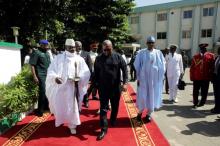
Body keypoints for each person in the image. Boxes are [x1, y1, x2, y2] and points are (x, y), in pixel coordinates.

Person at [45, 39, 90, 134]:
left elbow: (86, 73)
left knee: (73, 107)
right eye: (70, 47)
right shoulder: (58, 58)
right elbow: (51, 70)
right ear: (65, 47)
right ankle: (60, 120)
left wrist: (80, 78)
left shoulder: (79, 59)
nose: (73, 49)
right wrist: (55, 78)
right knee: (60, 104)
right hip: (60, 87)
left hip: (73, 88)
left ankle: (72, 125)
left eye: (74, 47)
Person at [94, 40, 128, 140]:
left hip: (115, 87)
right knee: (103, 108)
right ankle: (103, 129)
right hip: (103, 88)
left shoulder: (118, 56)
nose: (106, 52)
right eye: (104, 49)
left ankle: (113, 120)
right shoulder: (98, 58)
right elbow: (96, 73)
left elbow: (125, 69)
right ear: (102, 48)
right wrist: (94, 86)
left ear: (111, 47)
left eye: (108, 49)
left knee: (115, 106)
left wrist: (125, 83)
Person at [134, 36, 165, 122]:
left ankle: (149, 114)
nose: (151, 44)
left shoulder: (158, 53)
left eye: (152, 42)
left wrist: (160, 77)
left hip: (154, 79)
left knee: (152, 96)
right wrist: (138, 78)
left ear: (154, 43)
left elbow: (163, 65)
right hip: (144, 79)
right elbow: (137, 65)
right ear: (146, 43)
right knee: (143, 96)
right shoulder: (141, 53)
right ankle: (140, 113)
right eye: (149, 42)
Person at [29, 40, 51, 117]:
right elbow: (32, 65)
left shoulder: (47, 53)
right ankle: (40, 110)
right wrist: (34, 76)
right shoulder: (36, 52)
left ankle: (46, 107)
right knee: (42, 92)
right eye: (45, 45)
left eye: (47, 45)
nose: (46, 47)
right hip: (40, 75)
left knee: (47, 92)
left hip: (48, 75)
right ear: (41, 45)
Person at [190, 43, 215, 108]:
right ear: (200, 49)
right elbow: (192, 68)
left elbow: (212, 68)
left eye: (205, 48)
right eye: (202, 48)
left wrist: (211, 77)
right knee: (195, 91)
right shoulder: (195, 56)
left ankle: (202, 102)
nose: (204, 49)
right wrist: (192, 76)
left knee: (204, 91)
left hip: (206, 77)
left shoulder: (211, 56)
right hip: (197, 77)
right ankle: (195, 103)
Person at [75, 41, 93, 108]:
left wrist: (89, 77)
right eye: (77, 46)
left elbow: (90, 65)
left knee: (84, 88)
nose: (79, 47)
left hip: (84, 75)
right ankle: (76, 102)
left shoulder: (86, 54)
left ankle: (86, 101)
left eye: (80, 46)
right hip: (75, 75)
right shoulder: (72, 54)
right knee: (75, 90)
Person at [210, 47, 220, 113]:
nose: (218, 51)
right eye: (218, 50)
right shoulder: (217, 58)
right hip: (216, 79)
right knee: (216, 94)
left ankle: (218, 109)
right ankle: (216, 107)